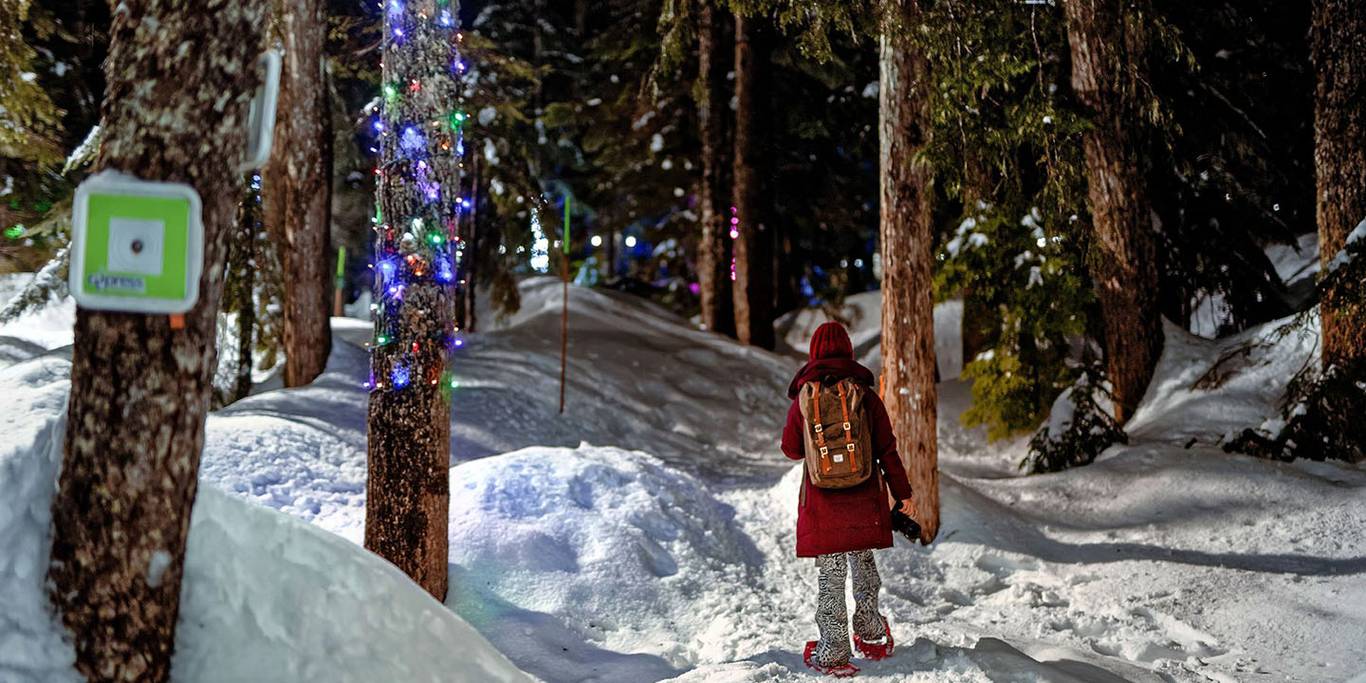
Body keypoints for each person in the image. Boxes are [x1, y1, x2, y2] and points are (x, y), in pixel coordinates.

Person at [781, 321, 916, 677]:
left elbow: (791, 450)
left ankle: (833, 652)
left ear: (813, 353)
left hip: (823, 505)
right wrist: (903, 494)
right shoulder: (864, 395)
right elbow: (887, 449)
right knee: (864, 569)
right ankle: (872, 635)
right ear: (848, 350)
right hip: (863, 501)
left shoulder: (805, 398)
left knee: (831, 576)